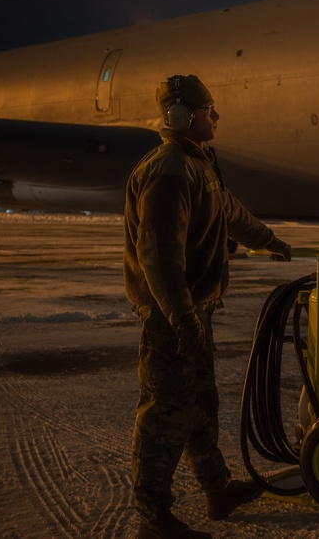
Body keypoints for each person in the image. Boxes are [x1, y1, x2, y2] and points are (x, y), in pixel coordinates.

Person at [124, 74, 293, 539]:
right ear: (181, 117)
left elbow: (230, 213)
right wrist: (180, 318)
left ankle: (217, 489)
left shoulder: (198, 166)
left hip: (194, 310)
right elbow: (158, 256)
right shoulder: (169, 171)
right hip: (171, 315)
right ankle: (153, 518)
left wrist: (271, 241)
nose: (216, 116)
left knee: (201, 404)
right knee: (166, 411)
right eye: (208, 109)